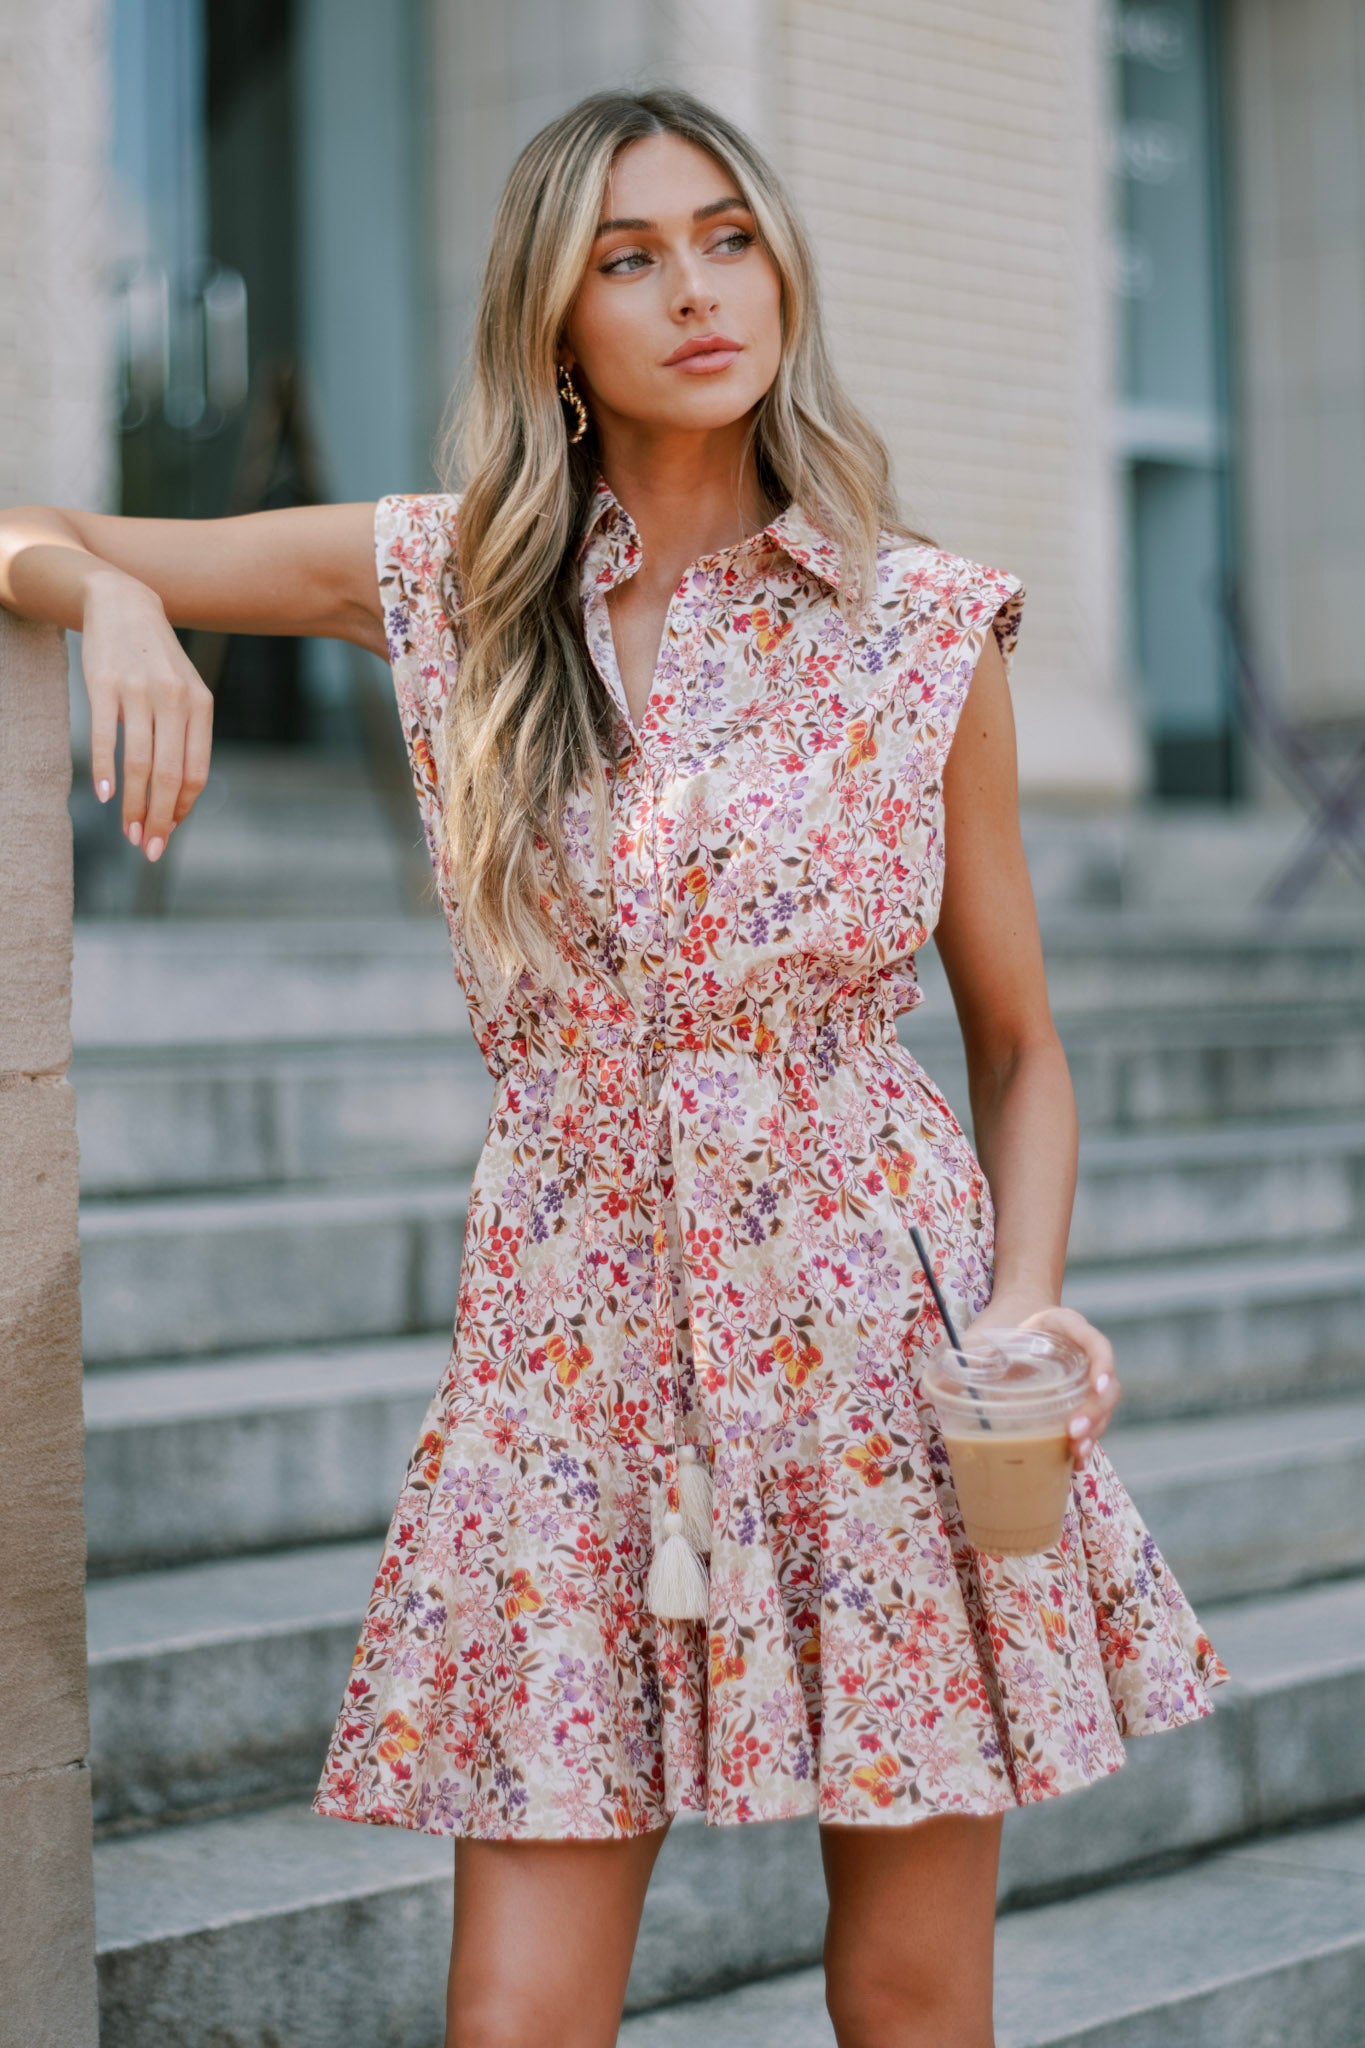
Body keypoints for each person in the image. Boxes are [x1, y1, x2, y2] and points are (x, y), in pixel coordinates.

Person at [1, 83, 1229, 2048]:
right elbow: (21, 529)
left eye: (727, 237)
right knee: (515, 2015)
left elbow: (1017, 1043)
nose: (693, 291)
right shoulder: (450, 581)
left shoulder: (920, 626)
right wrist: (120, 607)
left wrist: (1018, 1310)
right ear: (551, 318)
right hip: (571, 1362)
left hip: (879, 1357)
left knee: (912, 1997)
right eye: (627, 255)